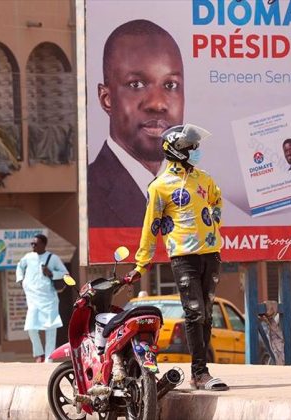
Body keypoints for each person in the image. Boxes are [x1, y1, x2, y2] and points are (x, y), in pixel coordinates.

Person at [126, 124, 228, 391]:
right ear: (178, 151)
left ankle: (199, 373)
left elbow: (217, 200)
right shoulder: (159, 187)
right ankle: (200, 372)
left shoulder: (204, 179)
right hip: (184, 257)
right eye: (191, 147)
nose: (196, 151)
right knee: (194, 313)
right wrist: (141, 263)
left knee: (206, 315)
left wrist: (212, 222)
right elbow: (151, 226)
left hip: (211, 253)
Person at [88, 19, 185, 228]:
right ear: (107, 98)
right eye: (136, 84)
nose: (158, 103)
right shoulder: (88, 196)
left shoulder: (196, 191)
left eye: (170, 85)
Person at [16, 234, 68, 362]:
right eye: (32, 244)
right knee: (31, 327)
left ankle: (49, 358)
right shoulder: (28, 257)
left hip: (49, 299)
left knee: (51, 329)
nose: (33, 246)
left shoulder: (53, 258)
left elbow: (65, 274)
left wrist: (51, 273)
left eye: (36, 243)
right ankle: (39, 353)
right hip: (33, 299)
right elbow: (19, 267)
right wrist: (21, 280)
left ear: (43, 245)